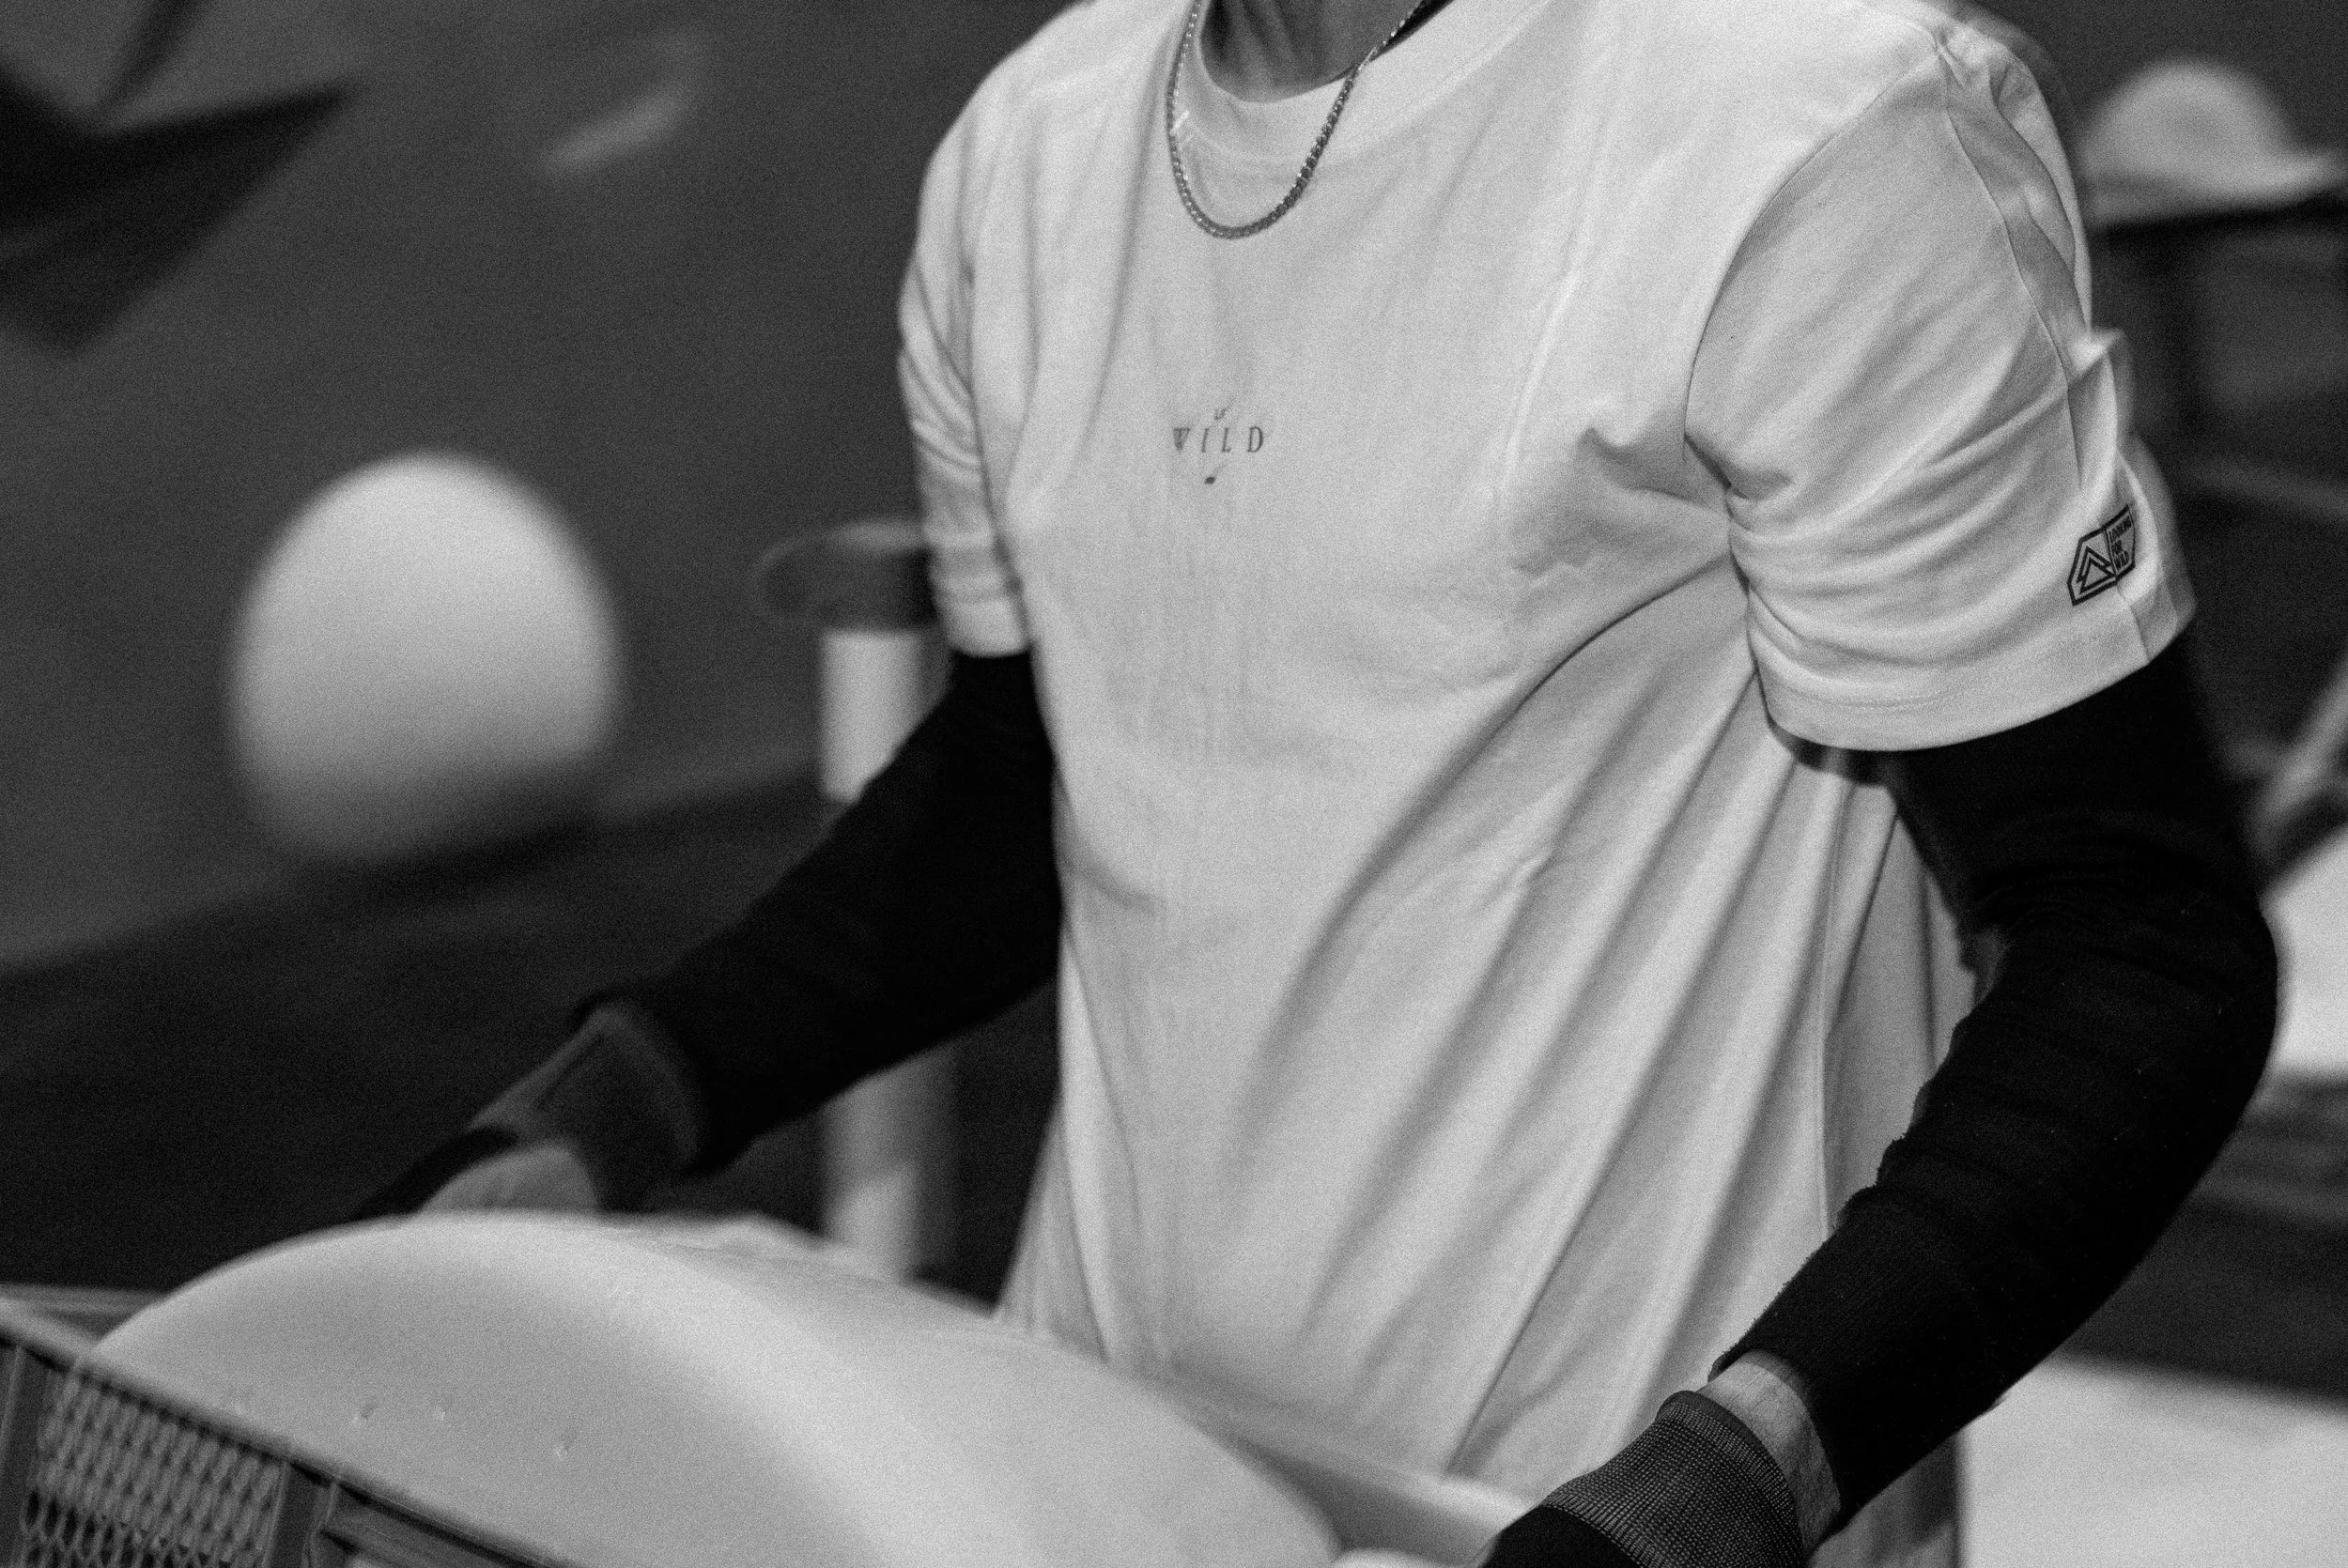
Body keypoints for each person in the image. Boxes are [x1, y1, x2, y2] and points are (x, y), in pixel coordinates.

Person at [362, 0, 2277, 1562]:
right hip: (1099, 1475)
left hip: (1591, 1514)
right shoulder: (1029, 145)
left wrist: (1731, 1477)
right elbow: (1026, 787)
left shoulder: (1819, 130)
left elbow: (2137, 947)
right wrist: (612, 1100)